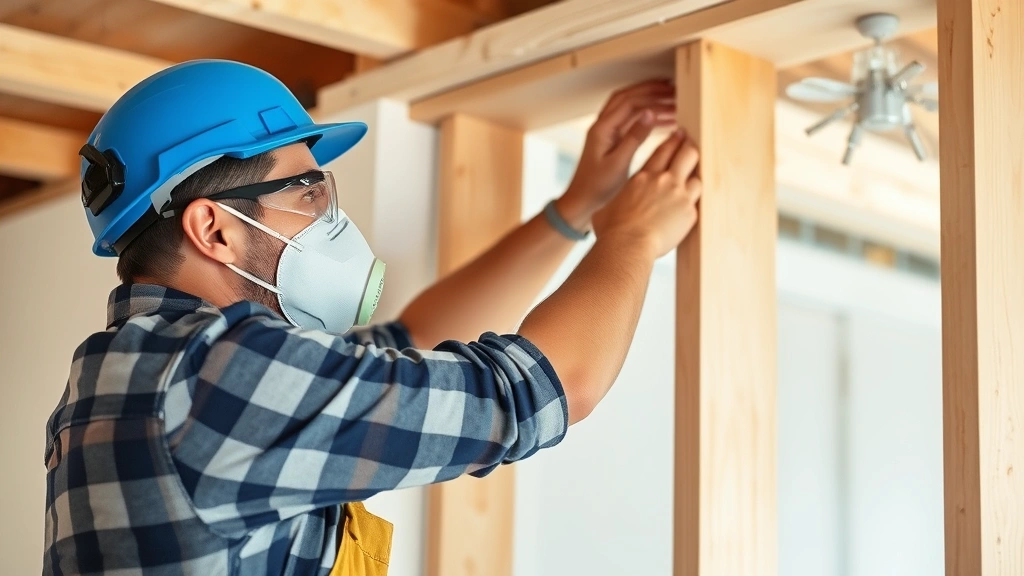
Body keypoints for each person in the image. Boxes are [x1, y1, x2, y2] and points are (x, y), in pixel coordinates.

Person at [43, 60, 701, 576]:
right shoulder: (216, 377)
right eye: (306, 192)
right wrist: (633, 240)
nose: (330, 219)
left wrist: (577, 208)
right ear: (213, 228)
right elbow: (545, 388)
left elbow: (413, 341)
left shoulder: (139, 369)